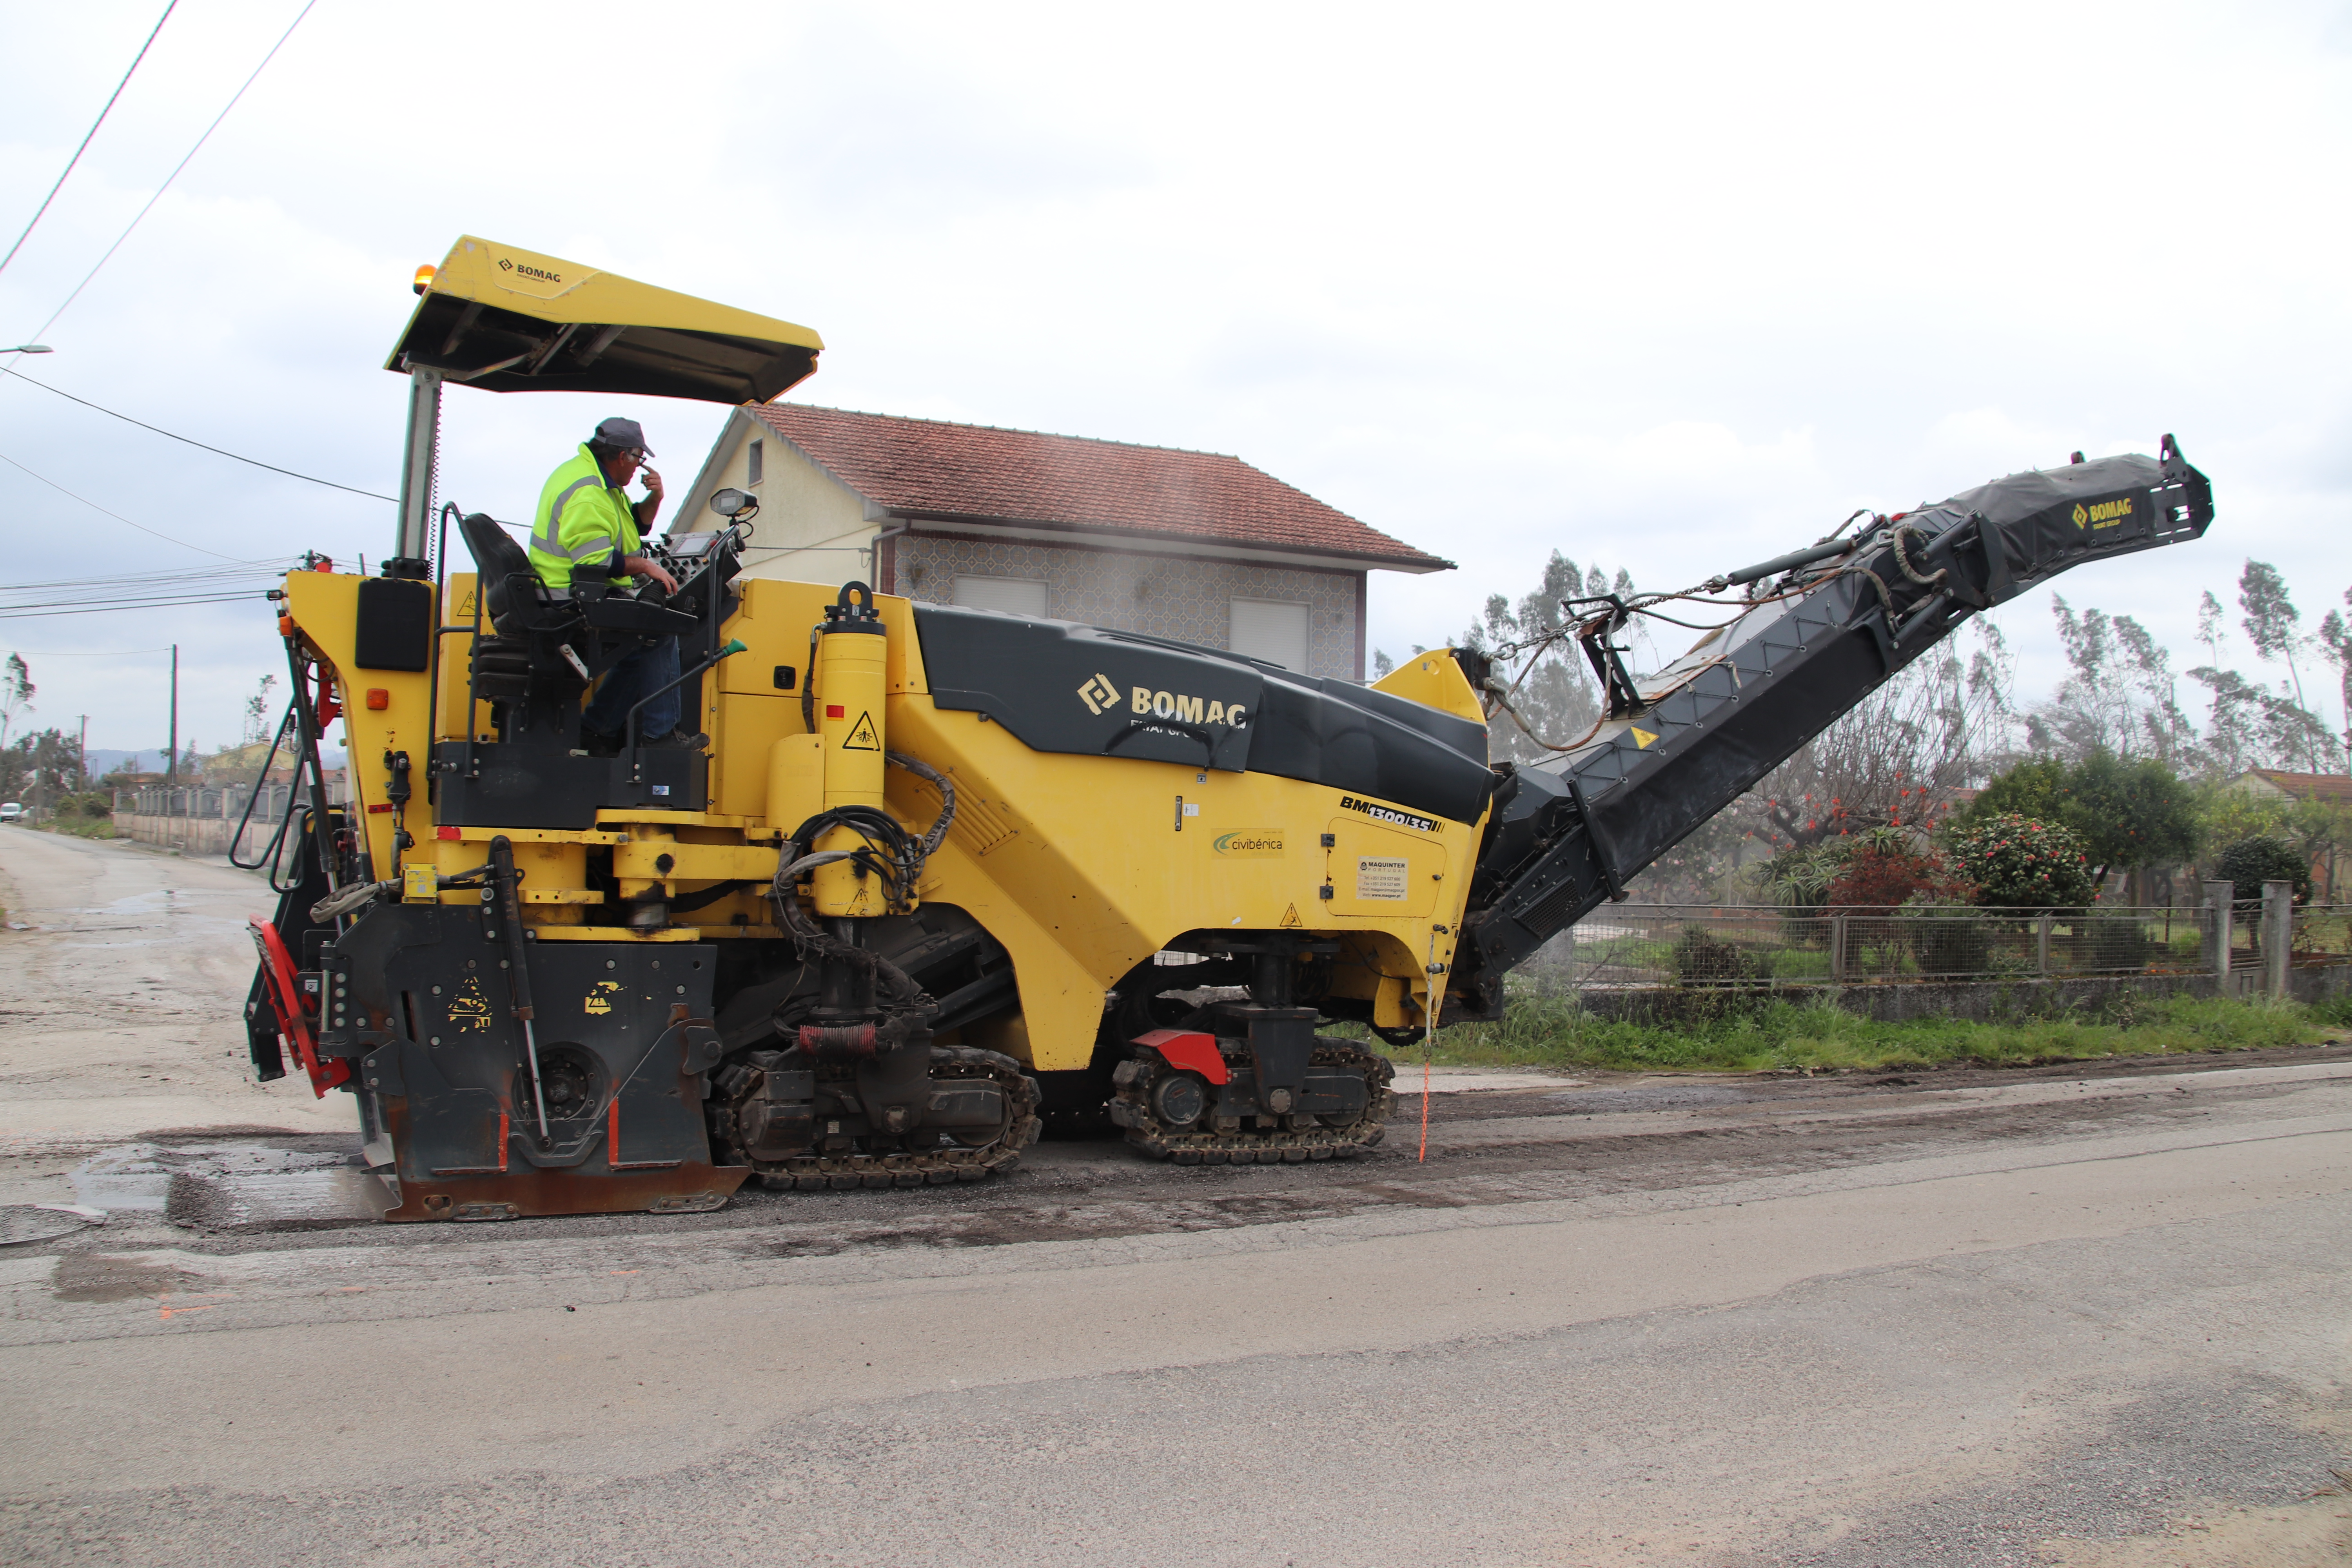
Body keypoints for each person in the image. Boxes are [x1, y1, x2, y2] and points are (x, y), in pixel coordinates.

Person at [528, 416, 706, 752]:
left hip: (570, 588)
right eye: (639, 459)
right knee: (659, 631)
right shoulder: (588, 492)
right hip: (567, 594)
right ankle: (660, 738)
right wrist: (644, 566)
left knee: (640, 644)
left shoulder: (598, 480)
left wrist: (655, 498)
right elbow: (594, 560)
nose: (639, 467)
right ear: (624, 455)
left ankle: (597, 729)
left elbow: (632, 528)